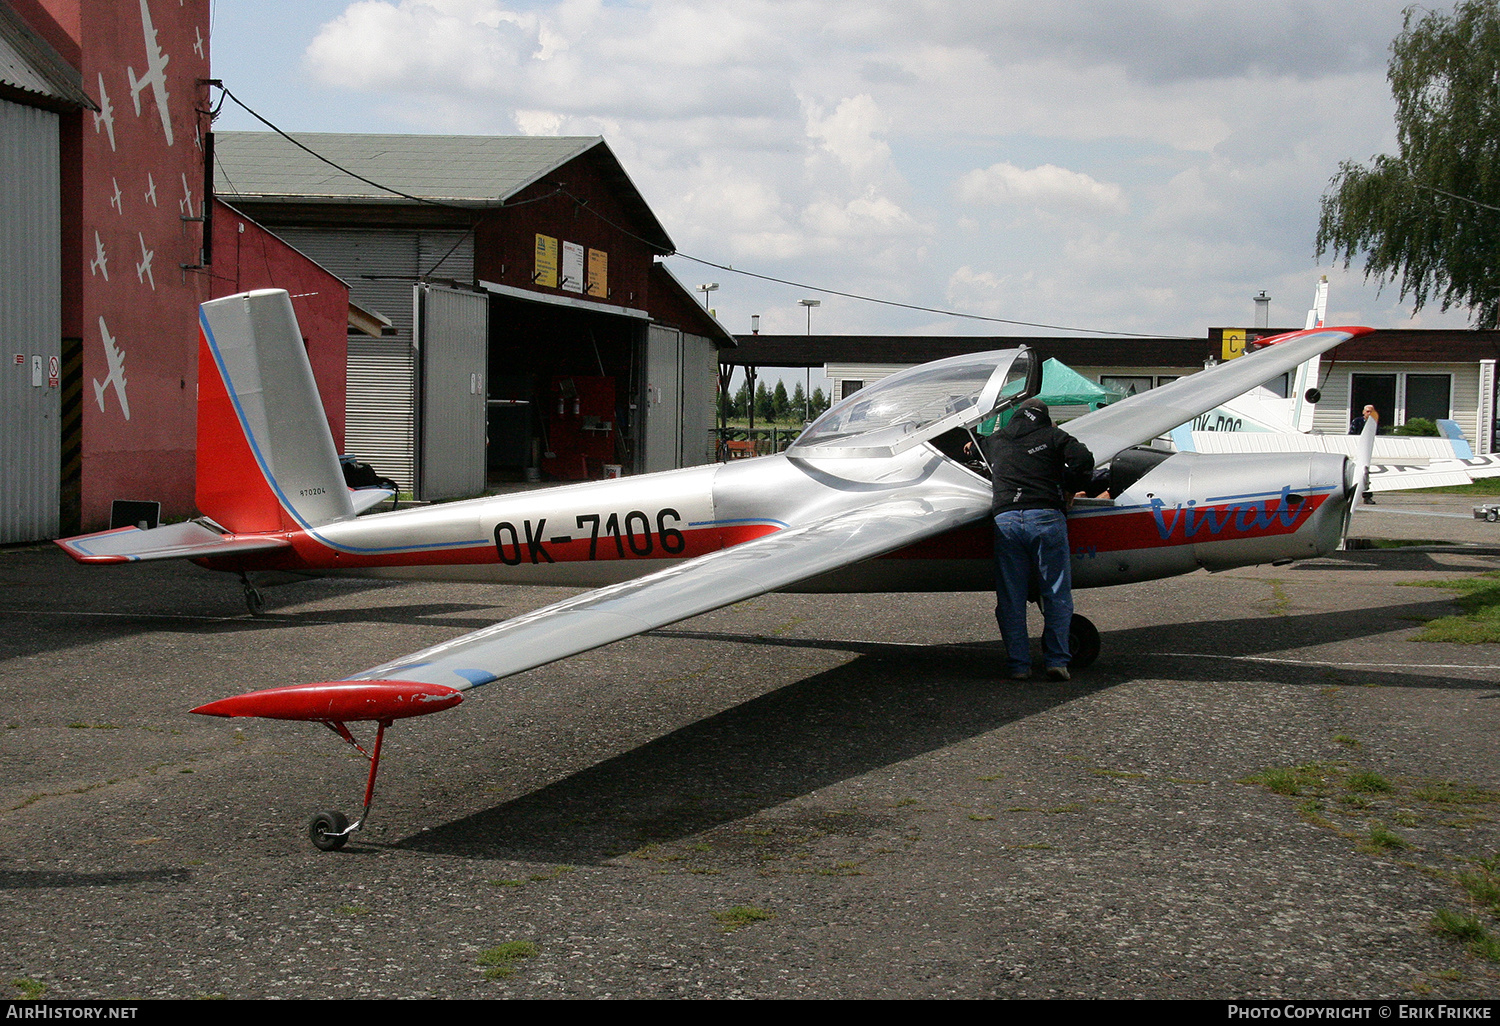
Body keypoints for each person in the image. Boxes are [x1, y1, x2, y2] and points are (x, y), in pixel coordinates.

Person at [979, 398, 1094, 682]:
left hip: (1005, 521)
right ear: (1045, 418)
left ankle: (1019, 665)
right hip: (1045, 517)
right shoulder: (1053, 435)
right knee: (1055, 593)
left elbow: (976, 448)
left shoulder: (996, 440)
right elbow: (1083, 459)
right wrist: (1068, 484)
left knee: (1011, 597)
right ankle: (1057, 661)